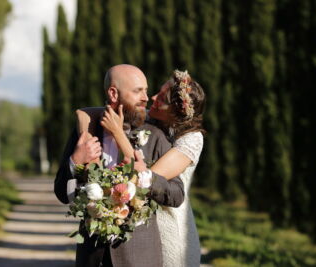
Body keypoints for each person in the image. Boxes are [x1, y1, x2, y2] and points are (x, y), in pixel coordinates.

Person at [54, 64, 185, 267]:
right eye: (137, 91)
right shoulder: (86, 133)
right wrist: (75, 162)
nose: (145, 97)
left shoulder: (154, 136)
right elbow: (61, 192)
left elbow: (177, 194)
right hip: (92, 257)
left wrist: (148, 178)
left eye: (146, 90)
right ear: (113, 93)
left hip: (141, 258)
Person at [101, 69, 205, 267]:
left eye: (162, 98)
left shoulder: (191, 139)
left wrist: (118, 134)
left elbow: (146, 176)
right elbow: (106, 109)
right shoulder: (149, 120)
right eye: (159, 91)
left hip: (170, 228)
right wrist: (82, 117)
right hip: (146, 228)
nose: (152, 97)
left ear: (176, 112)